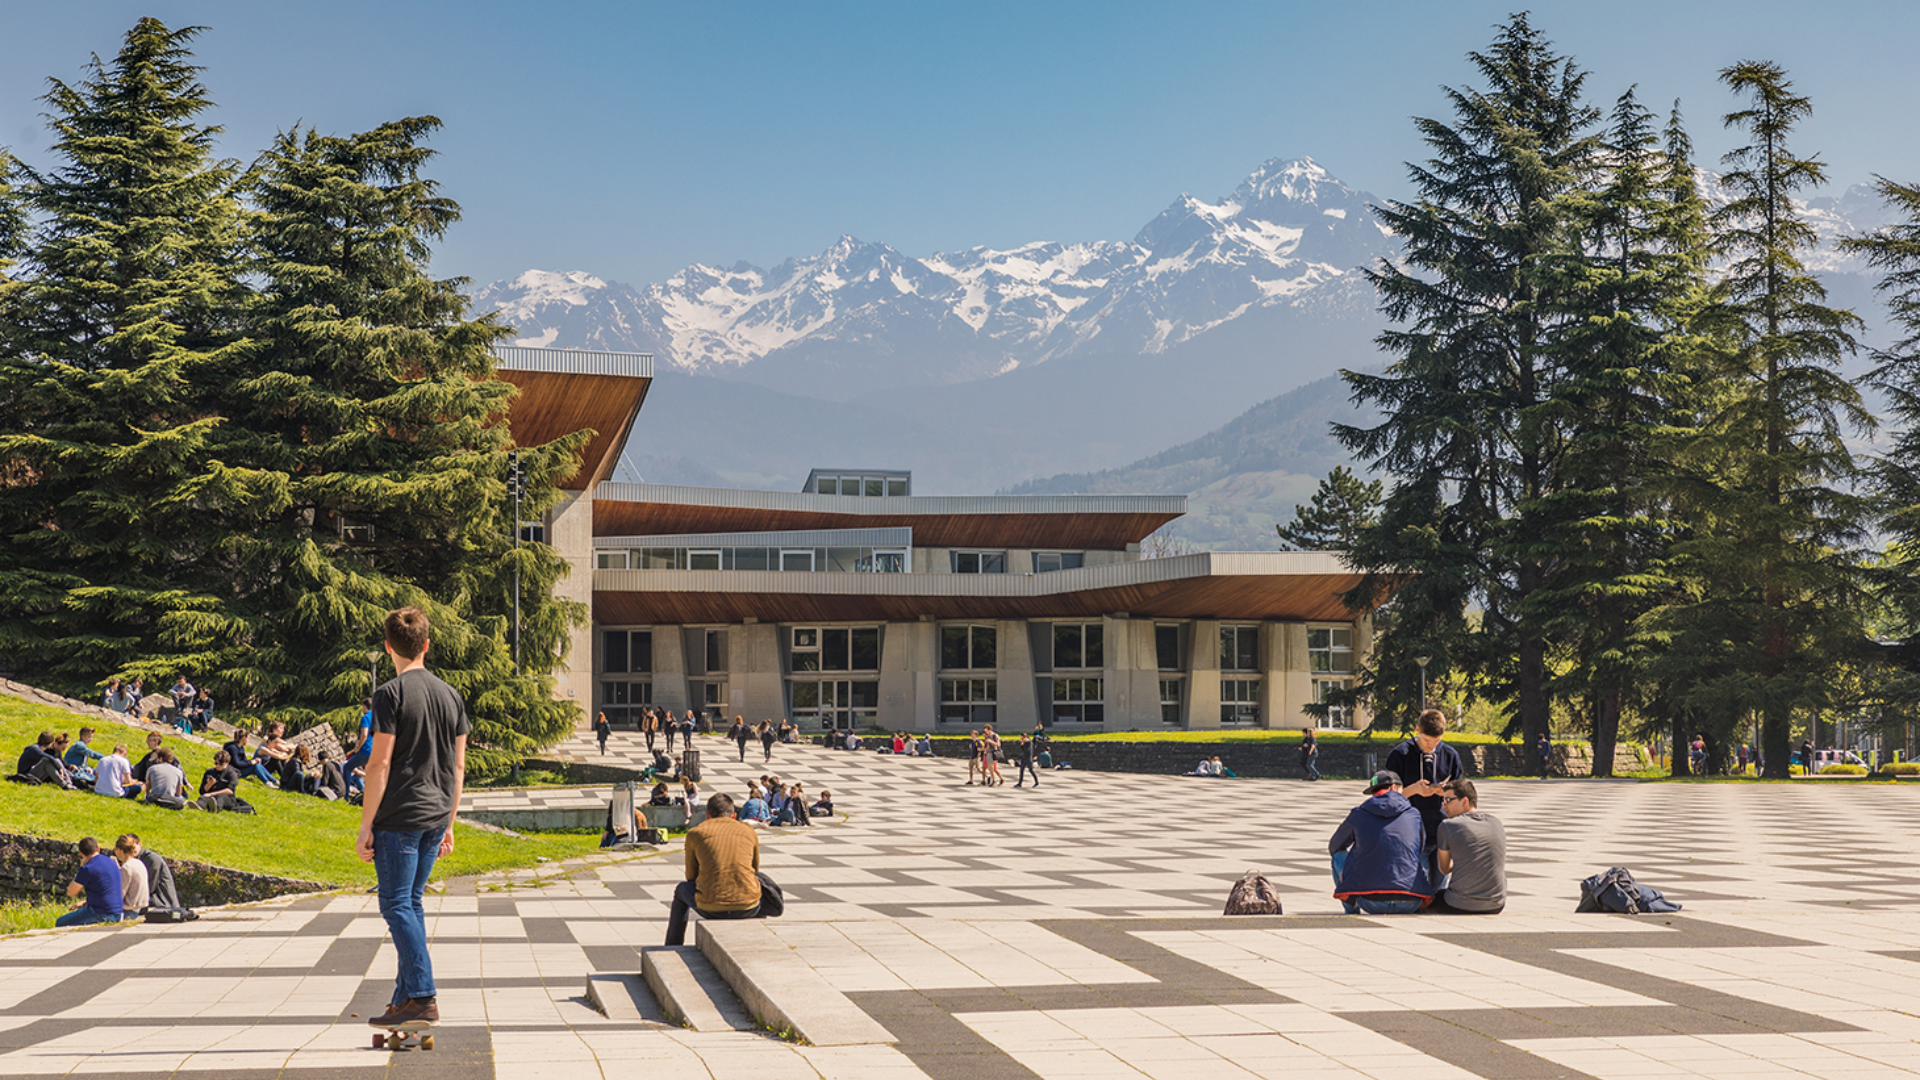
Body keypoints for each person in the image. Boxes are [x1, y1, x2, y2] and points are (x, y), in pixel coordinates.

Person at [357, 605, 470, 1033]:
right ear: (426, 644)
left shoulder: (390, 693)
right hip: (436, 815)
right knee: (412, 903)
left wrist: (366, 825)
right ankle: (403, 999)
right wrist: (450, 822)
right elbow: (459, 767)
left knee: (396, 904)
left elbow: (379, 764)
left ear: (388, 648)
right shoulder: (450, 694)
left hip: (400, 816)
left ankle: (422, 995)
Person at [665, 793, 763, 945]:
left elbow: (691, 877)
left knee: (681, 889)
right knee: (759, 884)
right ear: (734, 815)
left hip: (710, 907)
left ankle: (673, 944)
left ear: (707, 815)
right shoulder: (749, 831)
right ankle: (760, 937)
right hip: (748, 906)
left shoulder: (695, 833)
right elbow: (755, 869)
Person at [1328, 770, 1431, 914]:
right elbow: (1419, 849)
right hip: (1411, 901)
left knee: (1338, 856)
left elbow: (1335, 846)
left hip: (1370, 901)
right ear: (1395, 788)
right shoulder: (1413, 813)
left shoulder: (1359, 813)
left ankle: (1351, 910)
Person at [1383, 709, 1463, 891]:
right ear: (1417, 730)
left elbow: (1460, 791)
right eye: (1427, 741)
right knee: (1419, 887)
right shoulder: (1400, 754)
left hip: (1442, 829)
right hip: (1412, 831)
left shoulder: (1450, 755)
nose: (1431, 746)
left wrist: (1446, 793)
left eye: (1437, 741)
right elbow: (1387, 797)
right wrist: (1413, 790)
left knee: (1440, 888)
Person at [1429, 780, 1505, 915]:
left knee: (1430, 899)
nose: (1443, 807)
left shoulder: (1448, 825)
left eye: (1448, 800)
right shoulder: (1496, 822)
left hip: (1459, 903)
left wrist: (1462, 857)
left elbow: (1444, 869)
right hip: (1496, 903)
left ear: (1464, 801)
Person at [57, 837, 125, 927]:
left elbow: (70, 892)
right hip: (118, 912)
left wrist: (81, 869)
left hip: (101, 914)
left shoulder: (88, 868)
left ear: (81, 853)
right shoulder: (111, 862)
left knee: (60, 922)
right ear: (98, 848)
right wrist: (85, 903)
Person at [113, 834, 150, 912]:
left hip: (129, 909)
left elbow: (119, 895)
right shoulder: (139, 863)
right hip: (140, 907)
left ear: (119, 850)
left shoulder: (127, 868)